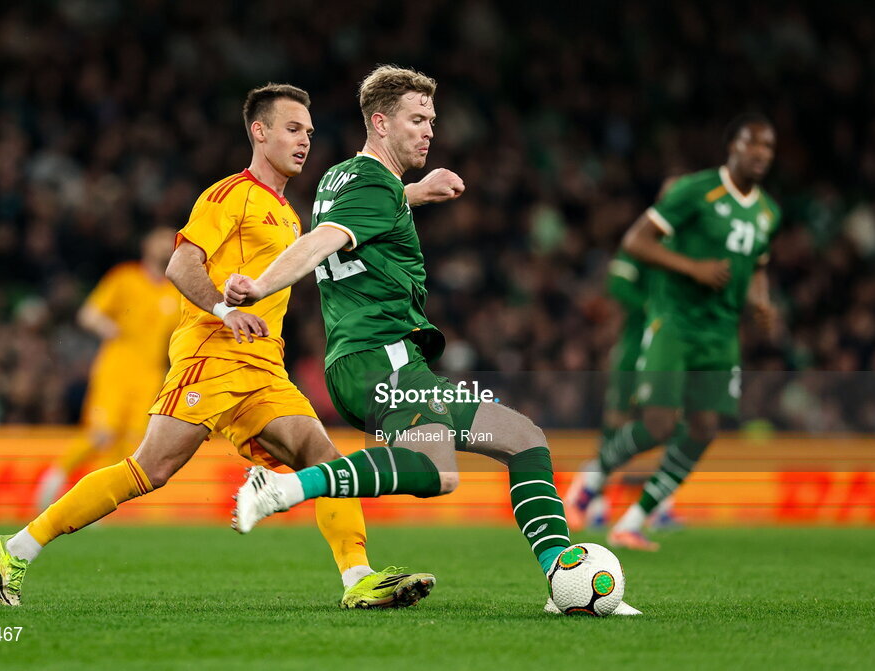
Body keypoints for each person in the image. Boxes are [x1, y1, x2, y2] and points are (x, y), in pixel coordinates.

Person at [0, 83, 460, 609]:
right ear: (259, 132)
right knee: (151, 469)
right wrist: (224, 308)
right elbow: (180, 264)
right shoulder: (228, 195)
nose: (304, 141)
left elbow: (344, 228)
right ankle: (15, 548)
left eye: (309, 131)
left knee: (320, 454)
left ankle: (359, 580)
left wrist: (413, 193)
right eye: (292, 129)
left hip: (263, 369)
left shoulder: (287, 214)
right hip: (211, 355)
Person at [223, 65, 640, 615]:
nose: (429, 131)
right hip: (380, 363)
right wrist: (260, 285)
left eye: (432, 121)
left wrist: (414, 191)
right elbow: (326, 238)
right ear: (380, 122)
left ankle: (563, 579)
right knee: (438, 471)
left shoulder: (341, 178)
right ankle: (280, 490)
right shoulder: (374, 185)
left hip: (383, 362)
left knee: (523, 438)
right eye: (416, 119)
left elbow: (364, 215)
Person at [592, 114, 780, 551]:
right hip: (663, 331)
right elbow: (620, 277)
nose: (761, 154)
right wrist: (691, 272)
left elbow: (756, 268)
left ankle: (637, 514)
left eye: (769, 147)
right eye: (754, 143)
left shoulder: (768, 211)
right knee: (643, 421)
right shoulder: (688, 212)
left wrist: (760, 302)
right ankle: (593, 484)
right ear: (732, 145)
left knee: (703, 426)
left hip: (719, 335)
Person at [562, 182, 682, 532]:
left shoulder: (690, 244)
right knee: (618, 420)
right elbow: (618, 285)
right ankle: (593, 493)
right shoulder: (646, 238)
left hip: (672, 347)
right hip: (637, 346)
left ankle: (656, 503)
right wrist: (652, 306)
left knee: (668, 421)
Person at [34, 228, 180, 510]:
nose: (167, 246)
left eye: (171, 242)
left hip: (150, 374)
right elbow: (89, 314)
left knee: (131, 443)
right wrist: (108, 327)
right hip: (116, 368)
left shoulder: (175, 292)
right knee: (102, 433)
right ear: (147, 245)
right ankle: (56, 476)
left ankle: (93, 504)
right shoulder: (125, 278)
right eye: (161, 240)